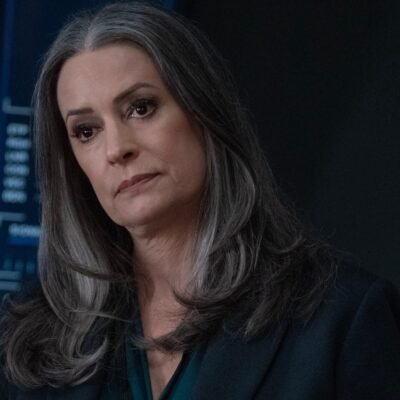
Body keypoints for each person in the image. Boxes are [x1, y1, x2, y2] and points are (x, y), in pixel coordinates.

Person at [0, 2, 399, 399]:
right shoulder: (28, 339)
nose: (117, 149)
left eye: (141, 108)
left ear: (204, 112)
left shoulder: (344, 320)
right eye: (86, 131)